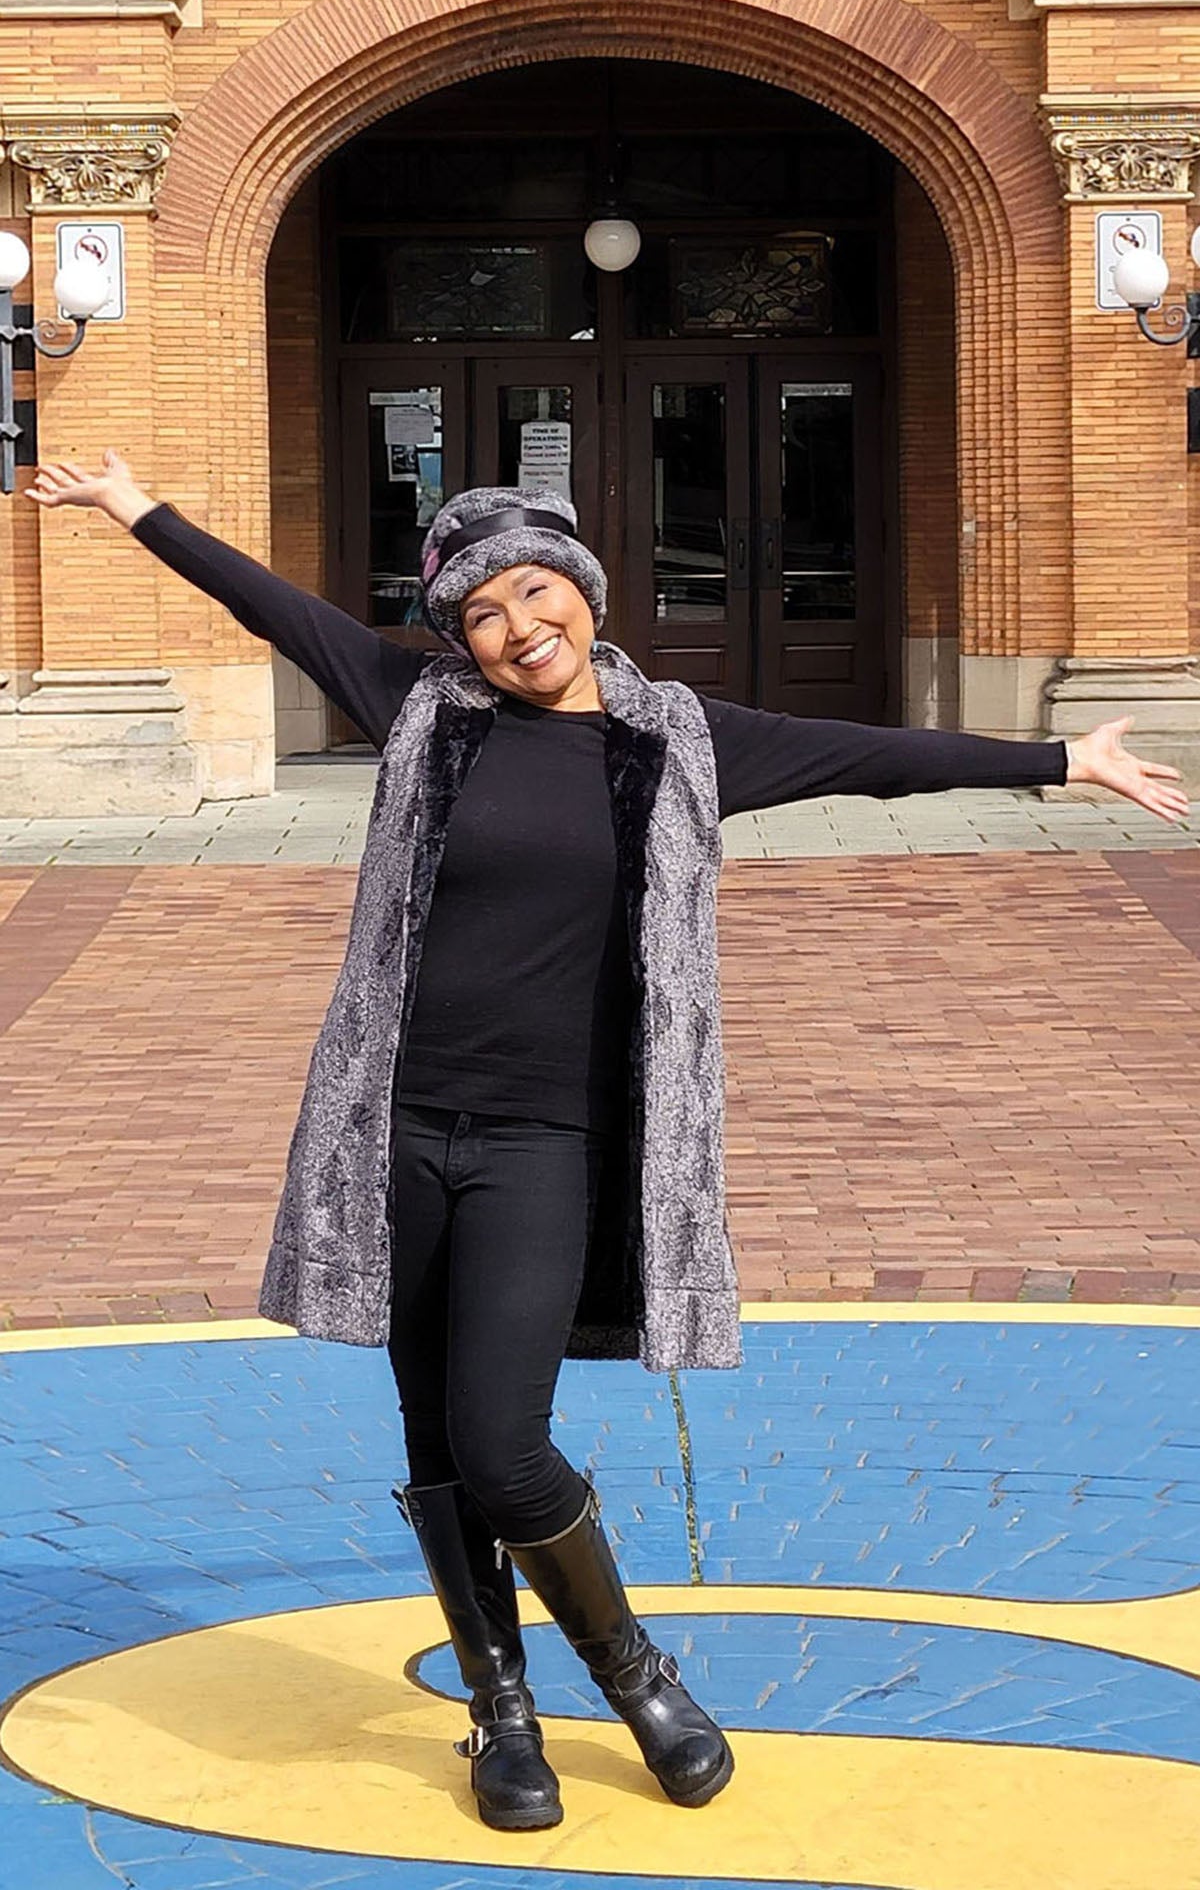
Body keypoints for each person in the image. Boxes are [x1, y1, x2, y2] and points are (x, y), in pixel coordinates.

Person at [28, 452, 1190, 1834]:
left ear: (581, 591)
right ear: (455, 634)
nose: (520, 631)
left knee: (504, 1442)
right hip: (394, 1134)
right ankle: (499, 1712)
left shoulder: (683, 739)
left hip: (544, 1141)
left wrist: (1065, 756)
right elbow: (273, 609)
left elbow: (881, 759)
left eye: (537, 595)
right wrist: (129, 506)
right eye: (484, 616)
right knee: (434, 1443)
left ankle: (638, 1678)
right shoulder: (419, 713)